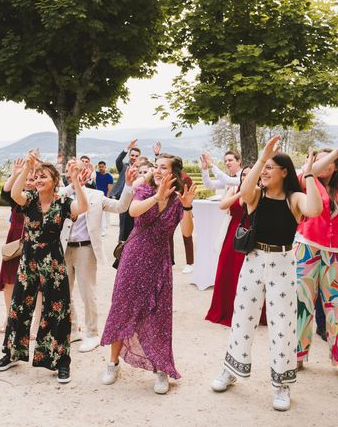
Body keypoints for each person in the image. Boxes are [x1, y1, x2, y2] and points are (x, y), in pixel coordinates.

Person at [211, 137, 322, 412]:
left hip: (283, 262)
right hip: (253, 260)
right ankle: (231, 369)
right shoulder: (257, 195)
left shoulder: (294, 198)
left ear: (285, 171)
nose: (265, 172)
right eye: (264, 168)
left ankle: (281, 384)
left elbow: (316, 209)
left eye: (271, 167)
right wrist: (262, 158)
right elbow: (245, 191)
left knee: (283, 324)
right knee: (242, 317)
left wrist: (308, 173)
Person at [101, 154, 196, 394]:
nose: (157, 170)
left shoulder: (178, 200)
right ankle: (112, 363)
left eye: (163, 167)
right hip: (134, 257)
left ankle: (161, 368)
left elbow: (186, 231)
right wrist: (157, 196)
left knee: (159, 316)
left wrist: (187, 206)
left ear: (173, 173)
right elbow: (133, 211)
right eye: (156, 166)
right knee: (122, 307)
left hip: (159, 261)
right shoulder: (144, 189)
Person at [0, 154, 88, 384]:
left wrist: (75, 181)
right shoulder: (30, 200)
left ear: (55, 180)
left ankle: (61, 362)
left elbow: (82, 207)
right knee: (19, 308)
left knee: (57, 312)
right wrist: (27, 169)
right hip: (28, 263)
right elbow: (14, 194)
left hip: (54, 264)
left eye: (43, 176)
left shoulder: (63, 202)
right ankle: (12, 353)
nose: (38, 180)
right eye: (36, 177)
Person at [60, 160, 136, 352]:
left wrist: (127, 185)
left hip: (85, 249)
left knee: (88, 293)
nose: (76, 171)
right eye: (71, 169)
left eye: (79, 168)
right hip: (62, 248)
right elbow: (58, 198)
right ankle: (71, 329)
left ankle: (92, 333)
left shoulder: (97, 195)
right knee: (63, 292)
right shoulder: (61, 193)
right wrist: (73, 184)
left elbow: (121, 207)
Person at [205, 166, 268, 326]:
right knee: (226, 270)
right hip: (233, 234)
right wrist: (241, 191)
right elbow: (222, 205)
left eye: (250, 175)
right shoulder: (234, 189)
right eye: (244, 175)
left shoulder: (261, 191)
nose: (246, 177)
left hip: (252, 236)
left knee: (245, 274)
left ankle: (248, 313)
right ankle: (225, 310)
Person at [294, 147, 338, 369]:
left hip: (335, 252)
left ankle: (337, 356)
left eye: (330, 161)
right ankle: (298, 356)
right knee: (303, 302)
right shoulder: (306, 180)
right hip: (307, 247)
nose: (325, 164)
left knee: (336, 305)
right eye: (321, 160)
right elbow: (312, 170)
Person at [0, 158, 35, 330]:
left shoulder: (41, 197)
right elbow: (5, 192)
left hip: (34, 240)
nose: (28, 182)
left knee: (36, 283)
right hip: (15, 239)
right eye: (26, 179)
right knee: (10, 280)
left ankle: (33, 320)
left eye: (32, 179)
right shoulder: (16, 196)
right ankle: (8, 316)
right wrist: (15, 174)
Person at [112, 140, 141, 241]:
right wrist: (127, 148)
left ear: (139, 157)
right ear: (129, 155)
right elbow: (118, 161)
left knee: (136, 227)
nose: (134, 157)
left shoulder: (141, 169)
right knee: (124, 227)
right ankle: (120, 253)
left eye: (136, 156)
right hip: (124, 200)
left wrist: (156, 154)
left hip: (137, 200)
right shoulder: (123, 167)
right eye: (132, 155)